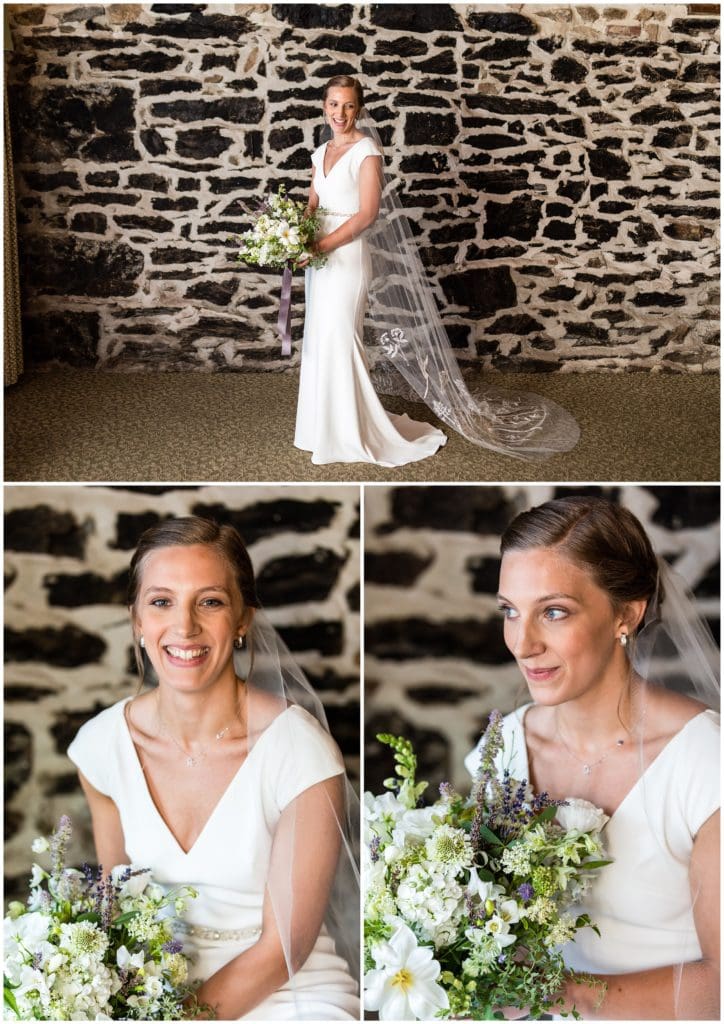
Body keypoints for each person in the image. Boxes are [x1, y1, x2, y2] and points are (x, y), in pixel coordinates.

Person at [67, 516, 360, 1021]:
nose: (185, 627)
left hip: (288, 988)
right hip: (159, 987)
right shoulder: (100, 749)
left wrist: (175, 1019)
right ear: (137, 620)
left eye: (210, 601)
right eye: (161, 602)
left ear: (243, 619)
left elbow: (282, 947)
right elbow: (118, 912)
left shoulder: (298, 751)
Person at [465, 495, 720, 1020]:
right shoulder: (503, 749)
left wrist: (566, 995)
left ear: (627, 613)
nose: (522, 642)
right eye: (510, 611)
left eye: (553, 612)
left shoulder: (703, 762)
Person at [295, 74, 580, 466]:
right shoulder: (320, 151)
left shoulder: (367, 151)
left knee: (343, 339)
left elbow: (366, 215)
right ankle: (318, 427)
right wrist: (296, 239)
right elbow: (313, 204)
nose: (340, 113)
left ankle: (352, 431)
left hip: (345, 258)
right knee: (321, 337)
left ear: (358, 108)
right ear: (324, 106)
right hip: (319, 258)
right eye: (333, 104)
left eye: (348, 105)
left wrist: (321, 245)